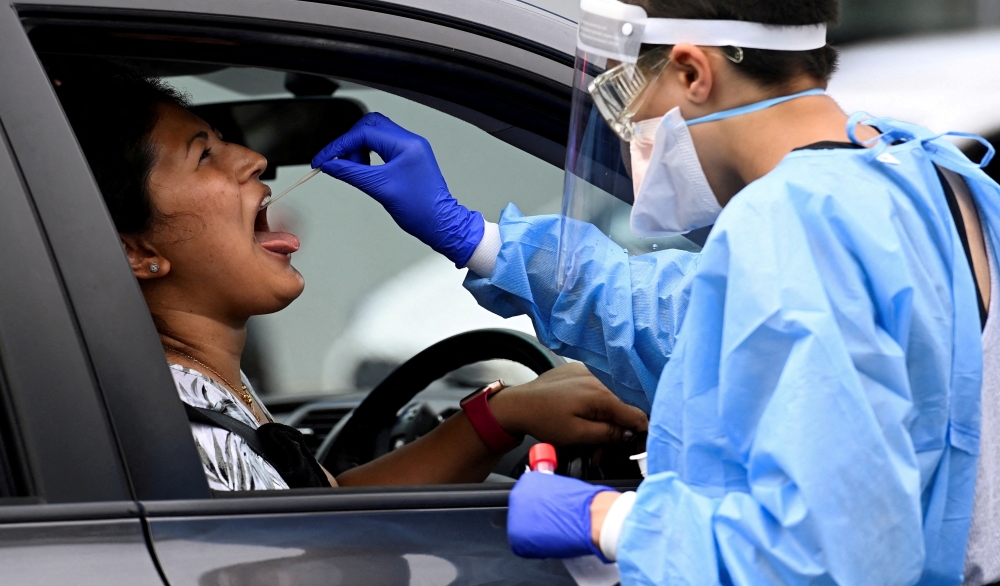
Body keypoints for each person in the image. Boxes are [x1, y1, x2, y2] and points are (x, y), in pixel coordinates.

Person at [309, 0, 1000, 586]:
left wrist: (611, 519)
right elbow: (702, 331)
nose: (629, 124)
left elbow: (827, 556)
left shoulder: (796, 221)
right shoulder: (924, 177)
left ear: (694, 71)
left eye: (628, 92)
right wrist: (473, 237)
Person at [50, 61, 647, 492]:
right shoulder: (178, 429)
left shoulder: (195, 390)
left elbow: (325, 511)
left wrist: (499, 417)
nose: (253, 159)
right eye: (204, 154)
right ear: (134, 250)